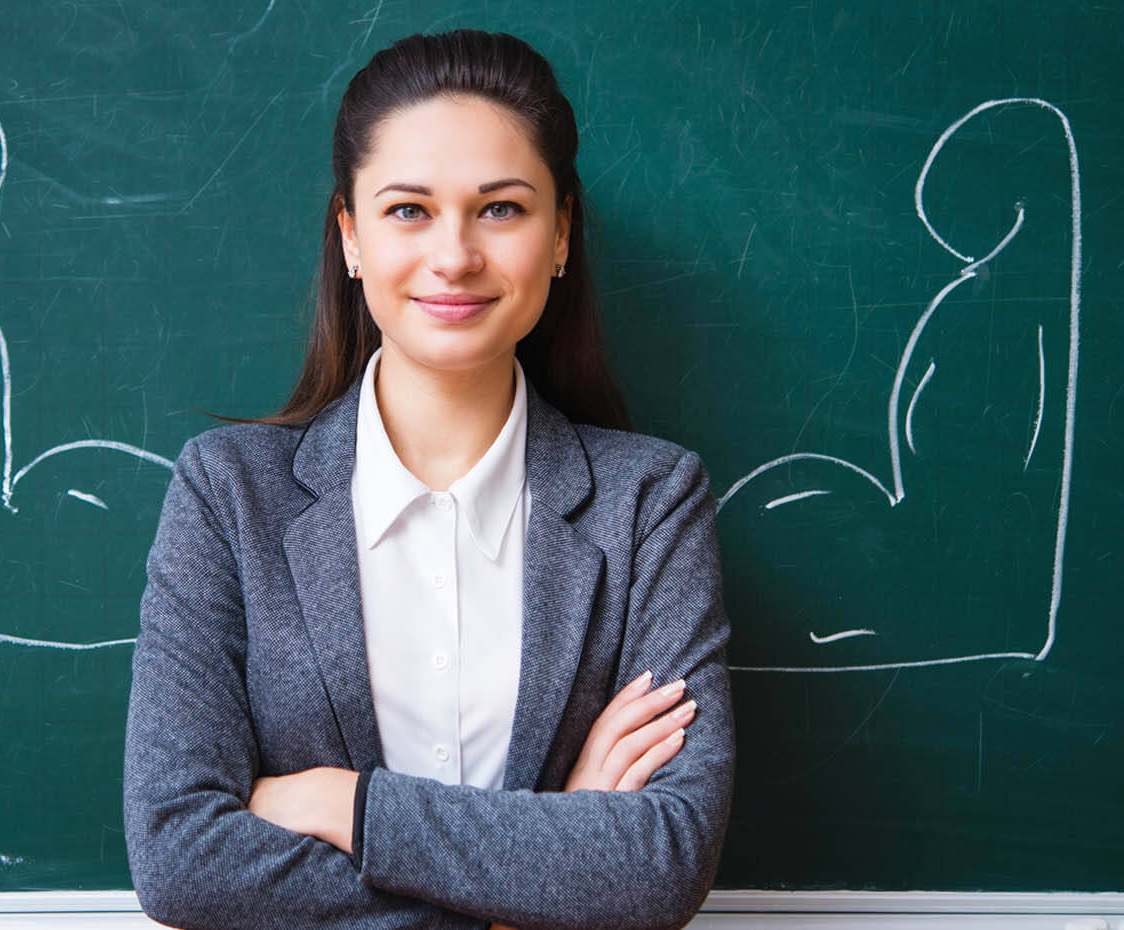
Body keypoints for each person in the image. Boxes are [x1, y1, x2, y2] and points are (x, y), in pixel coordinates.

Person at [124, 29, 733, 930]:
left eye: (501, 210)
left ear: (561, 234)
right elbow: (180, 858)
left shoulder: (651, 504)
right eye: (408, 209)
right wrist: (539, 870)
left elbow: (663, 864)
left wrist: (347, 806)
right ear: (351, 237)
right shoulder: (229, 495)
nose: (454, 256)